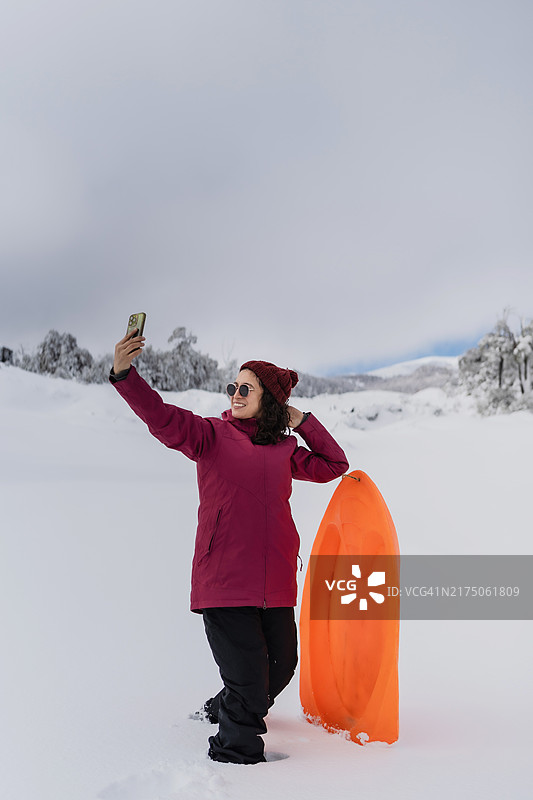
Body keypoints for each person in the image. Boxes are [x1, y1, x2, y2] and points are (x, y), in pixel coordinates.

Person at [109, 328, 349, 764]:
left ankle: (223, 707)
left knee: (280, 668)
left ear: (268, 400)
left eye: (245, 389)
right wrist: (126, 375)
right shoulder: (210, 435)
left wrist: (302, 421)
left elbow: (334, 464)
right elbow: (161, 417)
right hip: (224, 580)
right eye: (233, 387)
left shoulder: (284, 450)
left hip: (276, 583)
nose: (235, 395)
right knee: (250, 681)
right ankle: (235, 756)